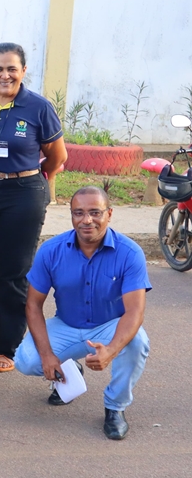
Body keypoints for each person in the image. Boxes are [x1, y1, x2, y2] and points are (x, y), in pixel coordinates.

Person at [15, 187, 150, 440]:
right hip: (66, 325)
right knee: (26, 360)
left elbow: (135, 311)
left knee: (137, 342)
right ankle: (70, 369)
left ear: (109, 214)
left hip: (109, 326)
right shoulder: (51, 250)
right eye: (79, 213)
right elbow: (33, 305)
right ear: (71, 215)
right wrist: (46, 355)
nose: (87, 220)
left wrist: (110, 350)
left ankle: (115, 407)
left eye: (95, 212)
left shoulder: (129, 253)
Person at [0, 42, 68, 373]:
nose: (4, 75)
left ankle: (9, 345)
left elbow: (58, 156)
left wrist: (41, 181)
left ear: (23, 71)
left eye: (12, 68)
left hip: (24, 191)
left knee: (14, 270)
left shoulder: (38, 107)